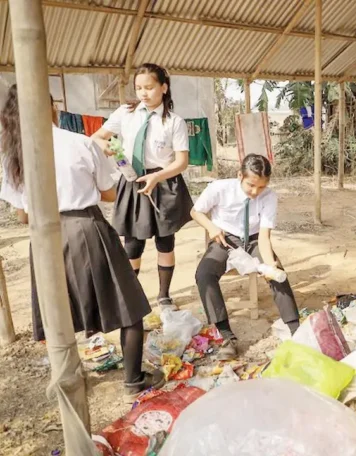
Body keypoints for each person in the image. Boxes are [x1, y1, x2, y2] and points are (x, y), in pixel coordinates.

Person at [0, 85, 163, 402]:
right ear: (51, 108)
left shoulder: (12, 158)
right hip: (87, 231)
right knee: (130, 309)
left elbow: (22, 216)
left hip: (44, 241)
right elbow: (108, 193)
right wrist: (120, 166)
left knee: (59, 316)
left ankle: (66, 382)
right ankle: (133, 381)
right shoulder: (79, 143)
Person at [91, 63, 193, 312]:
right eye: (139, 88)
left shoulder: (174, 122)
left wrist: (157, 177)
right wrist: (104, 146)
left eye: (149, 87)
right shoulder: (125, 113)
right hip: (132, 180)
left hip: (164, 183)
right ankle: (130, 297)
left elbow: (181, 162)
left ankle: (164, 296)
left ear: (164, 87)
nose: (143, 93)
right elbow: (97, 136)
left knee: (165, 242)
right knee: (132, 243)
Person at [191, 154, 300, 360]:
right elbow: (196, 212)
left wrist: (270, 265)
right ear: (239, 175)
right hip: (224, 238)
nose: (255, 192)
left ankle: (295, 329)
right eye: (251, 185)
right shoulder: (219, 188)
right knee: (204, 275)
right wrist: (211, 227)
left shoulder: (269, 197)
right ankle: (226, 336)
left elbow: (265, 236)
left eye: (261, 187)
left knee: (278, 274)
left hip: (255, 239)